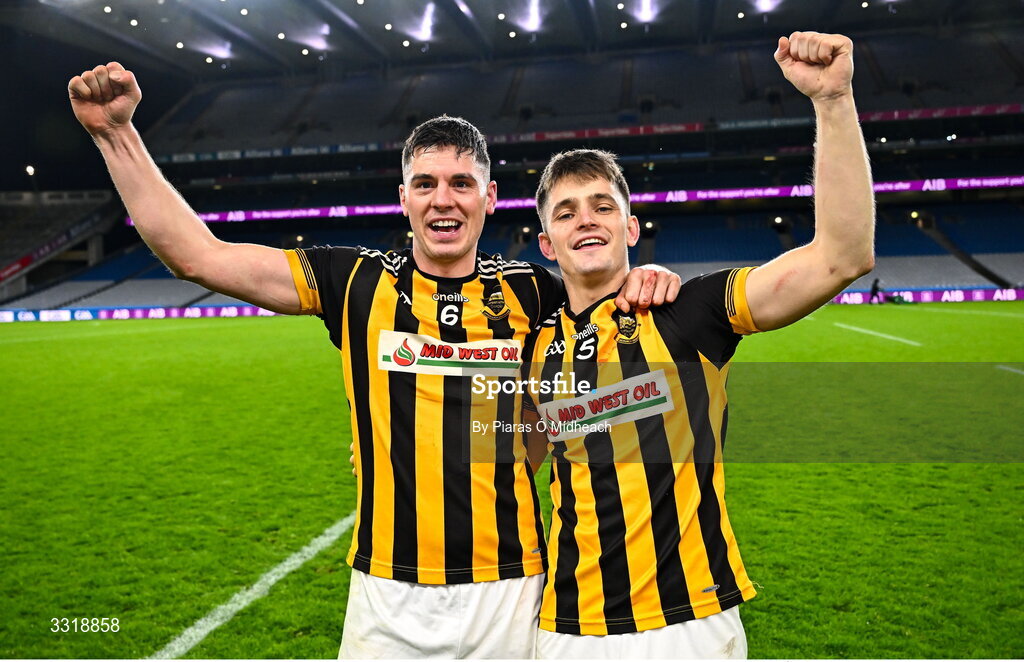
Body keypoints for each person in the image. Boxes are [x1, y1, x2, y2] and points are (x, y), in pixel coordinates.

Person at [67, 64, 681, 658]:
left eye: (462, 184)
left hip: (512, 590)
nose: (444, 200)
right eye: (425, 183)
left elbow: (598, 305)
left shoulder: (532, 290)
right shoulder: (355, 280)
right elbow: (198, 256)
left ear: (489, 198)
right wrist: (115, 134)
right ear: (404, 197)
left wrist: (645, 277)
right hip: (386, 596)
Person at [518, 31, 874, 658]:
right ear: (547, 243)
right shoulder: (536, 343)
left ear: (630, 227)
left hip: (688, 626)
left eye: (603, 205)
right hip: (565, 628)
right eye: (566, 212)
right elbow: (519, 450)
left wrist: (834, 101)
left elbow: (840, 258)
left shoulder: (691, 311)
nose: (587, 220)